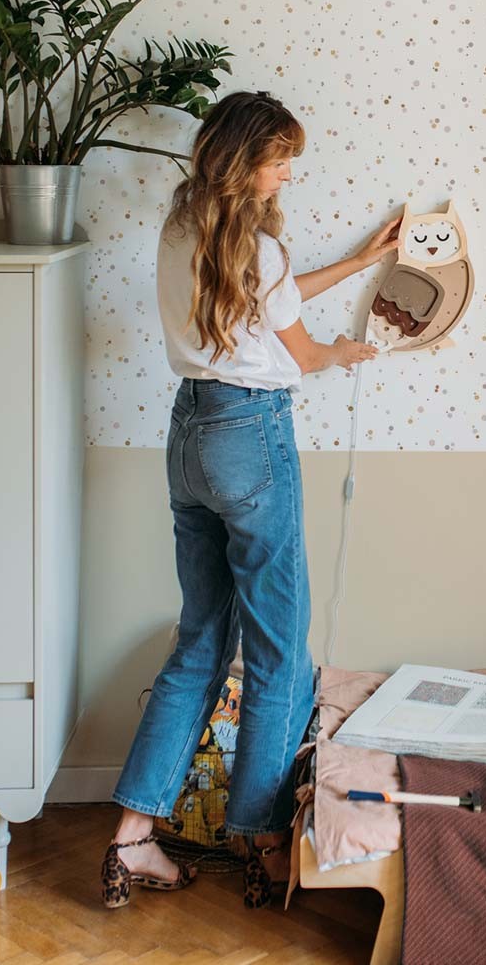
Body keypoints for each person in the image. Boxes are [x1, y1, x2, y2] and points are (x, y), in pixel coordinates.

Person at [100, 91, 399, 910]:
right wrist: (344, 350)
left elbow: (271, 297)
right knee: (278, 647)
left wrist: (358, 262)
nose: (289, 170)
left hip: (189, 432)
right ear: (244, 161)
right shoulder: (254, 254)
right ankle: (264, 841)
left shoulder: (181, 228)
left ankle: (131, 841)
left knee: (200, 638)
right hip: (252, 435)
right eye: (279, 157)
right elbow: (297, 348)